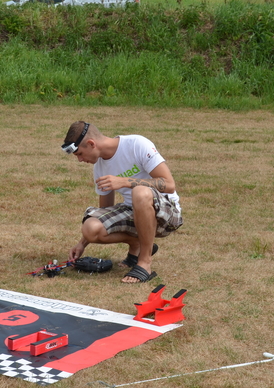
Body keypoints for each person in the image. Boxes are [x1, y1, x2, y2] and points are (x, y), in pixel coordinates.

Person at [61, 121, 183, 284]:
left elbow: (169, 184)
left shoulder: (136, 145)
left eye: (80, 154)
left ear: (91, 144)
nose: (80, 160)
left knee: (139, 192)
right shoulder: (100, 167)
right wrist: (83, 243)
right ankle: (138, 244)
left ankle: (144, 263)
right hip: (134, 212)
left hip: (168, 213)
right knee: (91, 228)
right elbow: (106, 211)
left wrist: (125, 182)